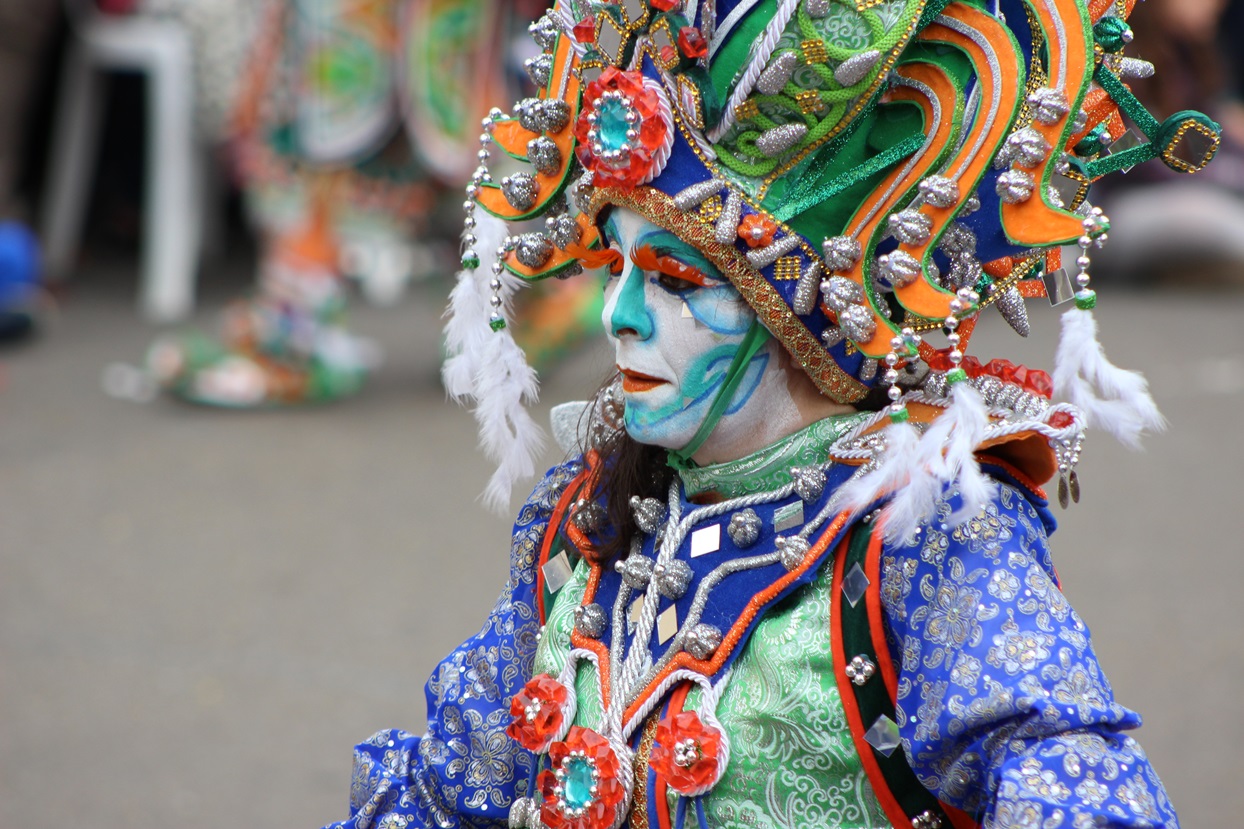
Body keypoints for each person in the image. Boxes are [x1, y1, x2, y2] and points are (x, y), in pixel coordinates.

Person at [323, 0, 1218, 825]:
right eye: (617, 268)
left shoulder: (925, 528)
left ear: (801, 314)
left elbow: (1070, 779)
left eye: (674, 281)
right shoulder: (583, 521)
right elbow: (449, 789)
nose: (618, 317)